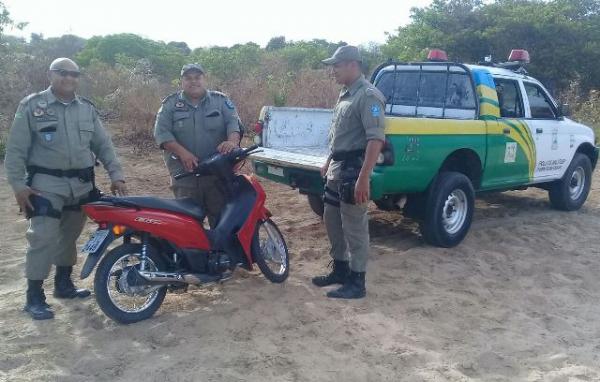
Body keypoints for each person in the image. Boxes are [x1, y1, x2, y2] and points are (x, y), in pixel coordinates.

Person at [4, 57, 127, 320]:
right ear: (51, 75)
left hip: (81, 185)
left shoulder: (86, 109)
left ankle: (64, 285)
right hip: (45, 186)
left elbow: (103, 145)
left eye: (73, 74)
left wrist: (117, 175)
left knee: (69, 236)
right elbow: (15, 150)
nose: (68, 78)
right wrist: (18, 185)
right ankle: (34, 296)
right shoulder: (32, 106)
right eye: (62, 73)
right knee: (42, 237)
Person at [312, 46, 386, 299]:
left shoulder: (368, 96)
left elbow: (375, 140)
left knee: (354, 225)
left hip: (354, 171)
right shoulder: (346, 93)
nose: (333, 70)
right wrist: (328, 160)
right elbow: (341, 136)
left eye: (337, 65)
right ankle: (340, 269)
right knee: (332, 220)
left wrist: (364, 177)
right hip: (337, 169)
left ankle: (357, 281)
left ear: (352, 64)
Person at [154, 63, 243, 228]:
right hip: (185, 179)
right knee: (188, 228)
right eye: (188, 78)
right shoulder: (170, 105)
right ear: (181, 81)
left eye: (197, 77)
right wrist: (182, 153)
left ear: (204, 79)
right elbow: (161, 134)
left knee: (222, 224)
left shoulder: (221, 101)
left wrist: (232, 142)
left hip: (217, 178)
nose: (193, 81)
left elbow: (233, 124)